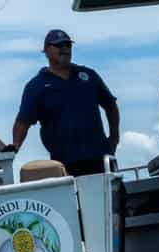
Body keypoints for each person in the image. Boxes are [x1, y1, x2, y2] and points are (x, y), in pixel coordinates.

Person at [12, 29, 121, 176]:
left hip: (101, 159)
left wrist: (114, 136)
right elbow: (23, 122)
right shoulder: (36, 86)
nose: (65, 49)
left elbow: (110, 105)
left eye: (68, 45)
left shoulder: (89, 76)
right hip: (65, 165)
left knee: (115, 198)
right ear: (47, 50)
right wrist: (14, 148)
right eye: (59, 45)